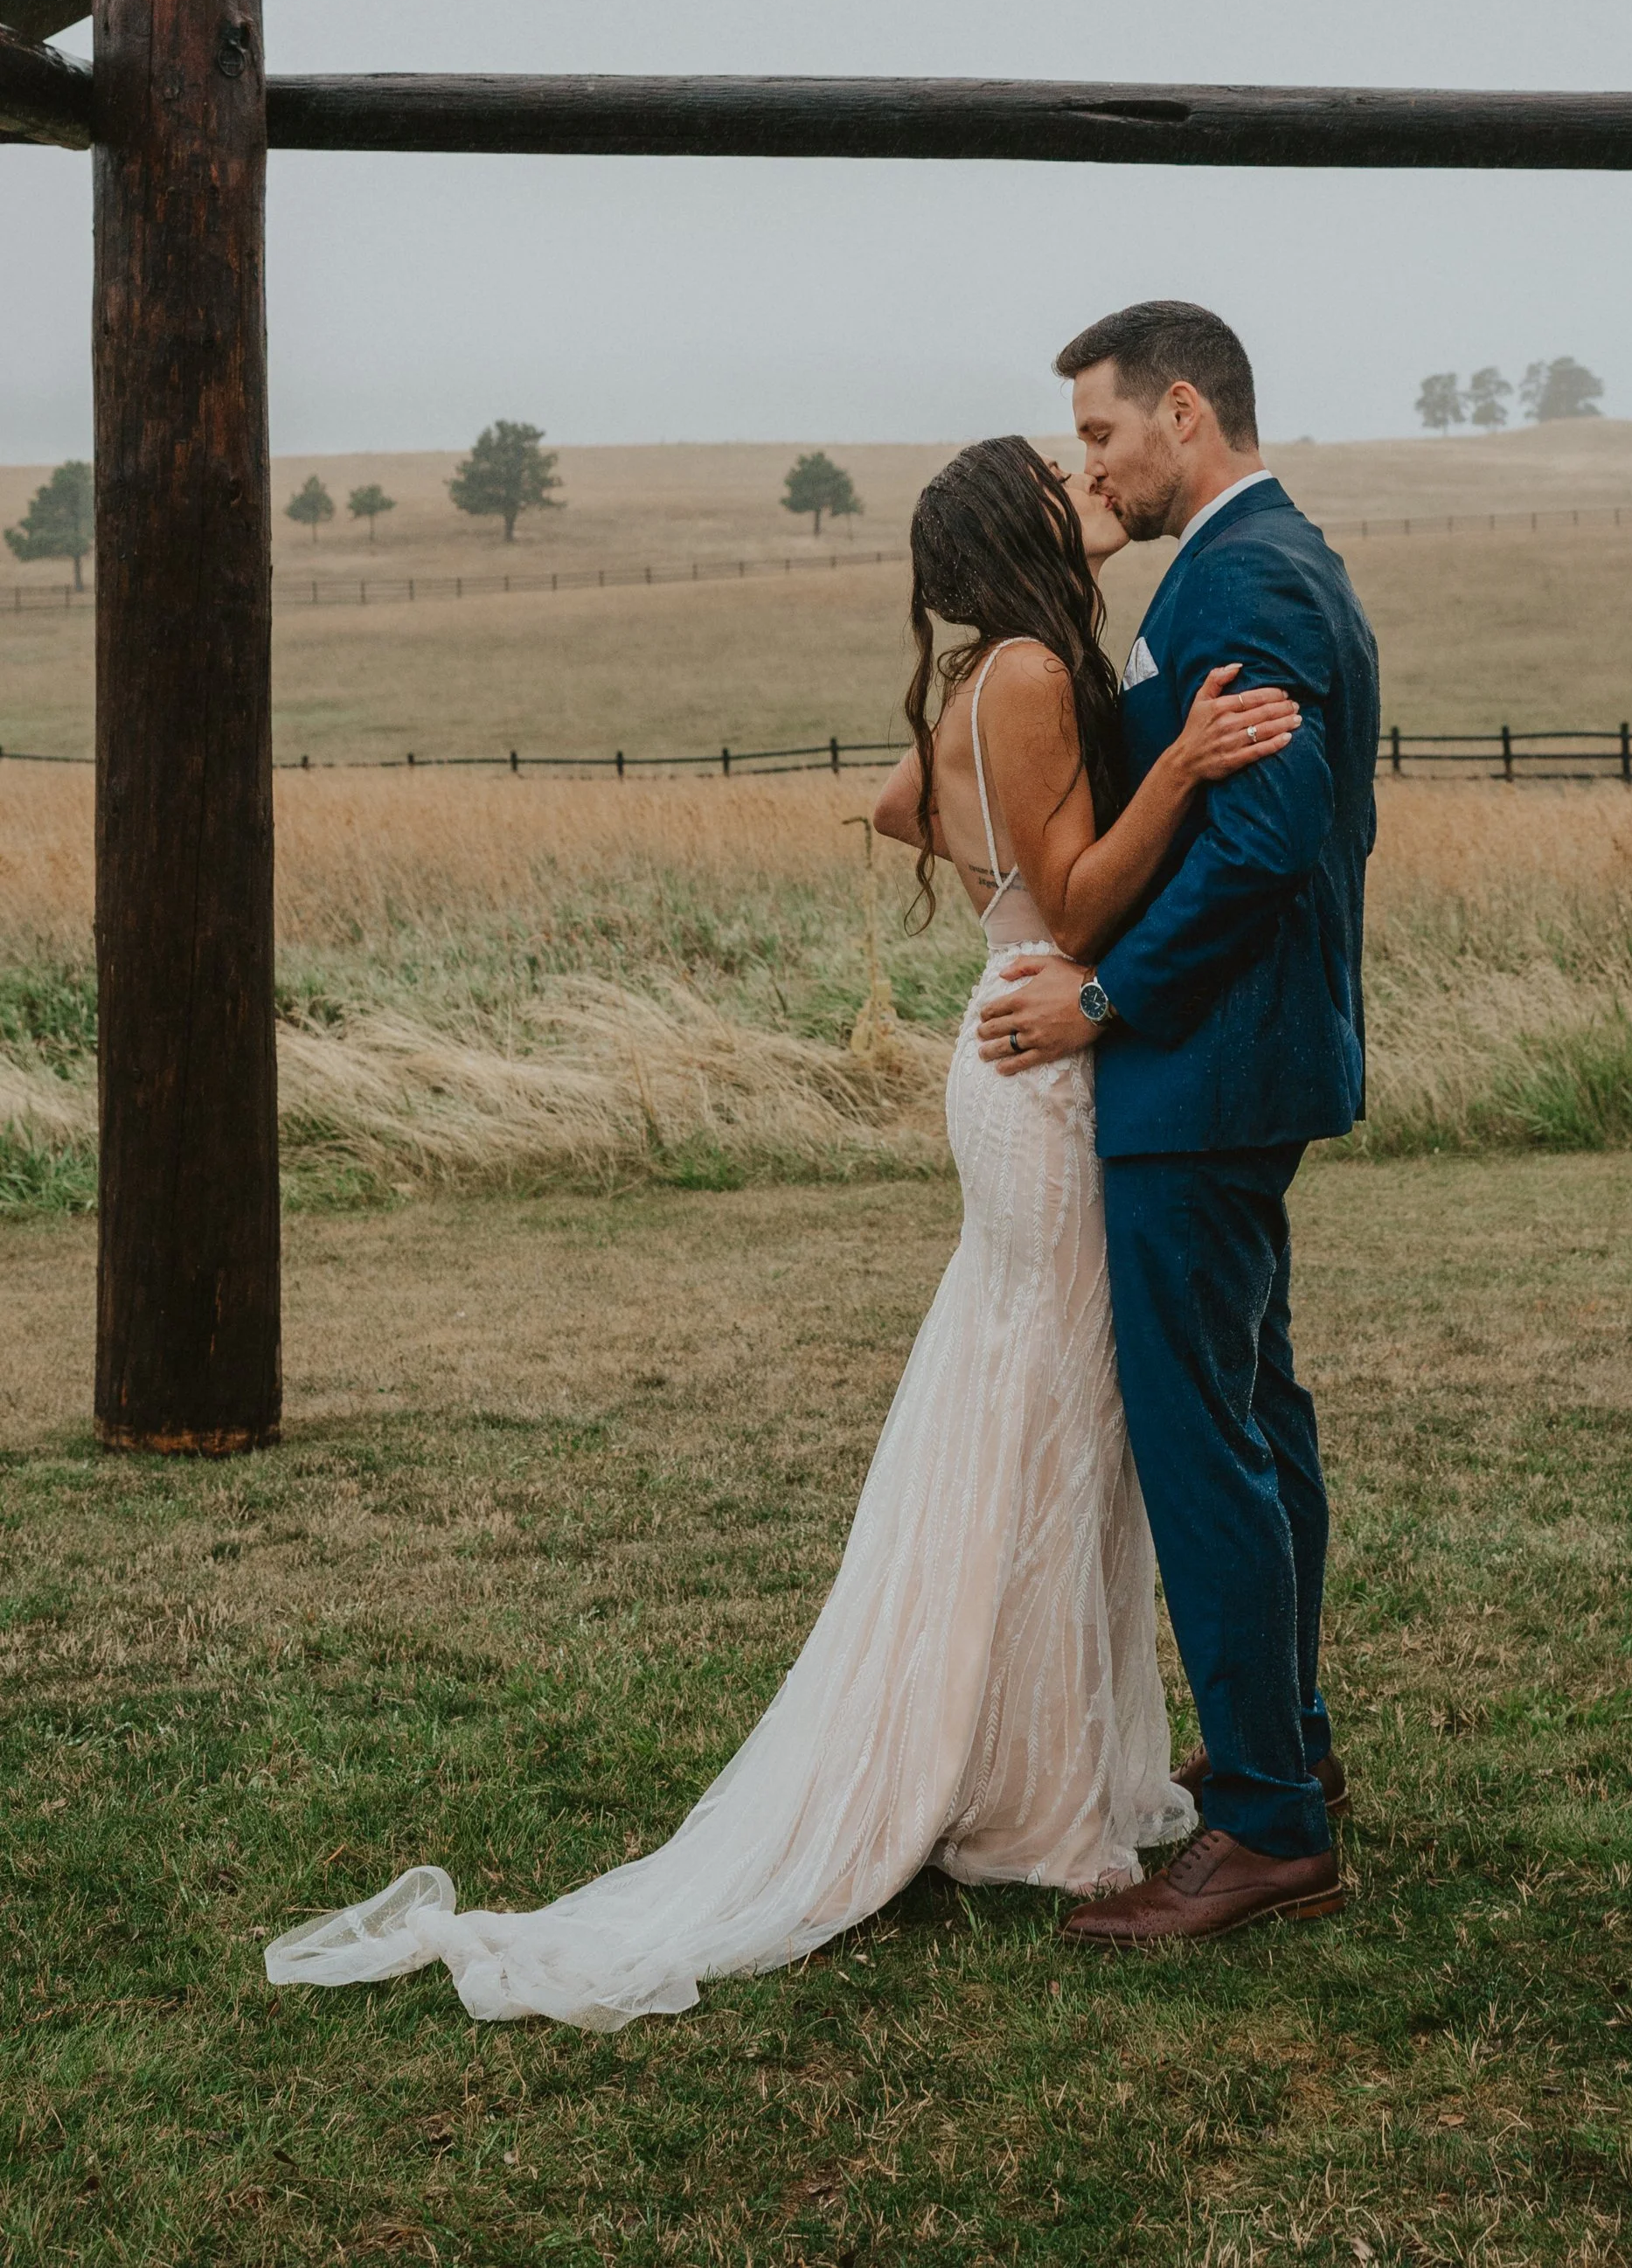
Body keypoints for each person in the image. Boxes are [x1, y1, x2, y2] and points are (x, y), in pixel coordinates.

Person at [262, 434, 1301, 2029]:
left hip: (1007, 1043)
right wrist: (1166, 778)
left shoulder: (993, 673)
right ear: (1019, 534)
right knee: (1052, 1414)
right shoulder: (1024, 672)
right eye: (1057, 478)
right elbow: (1084, 906)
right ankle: (1020, 1794)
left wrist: (987, 871)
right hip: (1043, 1064)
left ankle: (1027, 1764)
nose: (1080, 483)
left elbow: (903, 801)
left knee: (1038, 1407)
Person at [976, 300, 1379, 1948]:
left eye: (1101, 433)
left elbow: (1270, 839)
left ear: (1185, 413)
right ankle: (1291, 1756)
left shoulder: (1248, 578)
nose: (1094, 462)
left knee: (1205, 1434)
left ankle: (1268, 1827)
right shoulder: (1251, 565)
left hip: (1201, 1068)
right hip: (1230, 1064)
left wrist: (1109, 999)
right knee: (1255, 1409)